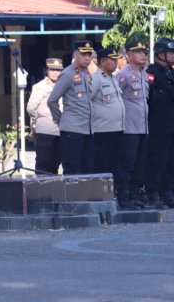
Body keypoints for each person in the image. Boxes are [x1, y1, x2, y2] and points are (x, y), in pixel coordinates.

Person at [145, 37, 174, 208]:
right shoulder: (153, 72)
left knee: (173, 161)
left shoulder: (173, 72)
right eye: (170, 52)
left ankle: (168, 191)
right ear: (160, 54)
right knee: (158, 160)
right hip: (159, 125)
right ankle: (153, 193)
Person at [47, 40, 95, 174]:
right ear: (75, 54)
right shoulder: (68, 74)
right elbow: (52, 100)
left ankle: (86, 195)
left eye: (89, 54)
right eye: (83, 54)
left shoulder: (87, 74)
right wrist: (60, 120)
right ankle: (75, 196)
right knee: (73, 170)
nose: (87, 58)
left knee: (88, 169)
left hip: (88, 129)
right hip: (72, 130)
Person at [115, 41, 150, 208]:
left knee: (140, 164)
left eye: (144, 52)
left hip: (143, 127)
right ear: (129, 55)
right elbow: (116, 97)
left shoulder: (145, 74)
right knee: (127, 164)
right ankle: (123, 195)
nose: (143, 54)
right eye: (138, 52)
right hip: (129, 128)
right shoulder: (124, 75)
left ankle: (135, 194)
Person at [91, 48, 125, 184]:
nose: (116, 62)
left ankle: (113, 193)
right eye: (113, 60)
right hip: (102, 131)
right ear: (103, 61)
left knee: (115, 165)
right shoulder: (96, 79)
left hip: (116, 129)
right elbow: (88, 101)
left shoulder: (113, 78)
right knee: (103, 166)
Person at [26, 58, 63, 174]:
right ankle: (40, 191)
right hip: (45, 130)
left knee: (55, 164)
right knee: (43, 164)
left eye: (58, 70)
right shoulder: (40, 87)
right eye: (52, 69)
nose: (55, 72)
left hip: (61, 130)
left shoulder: (64, 85)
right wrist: (41, 119)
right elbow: (31, 108)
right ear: (47, 70)